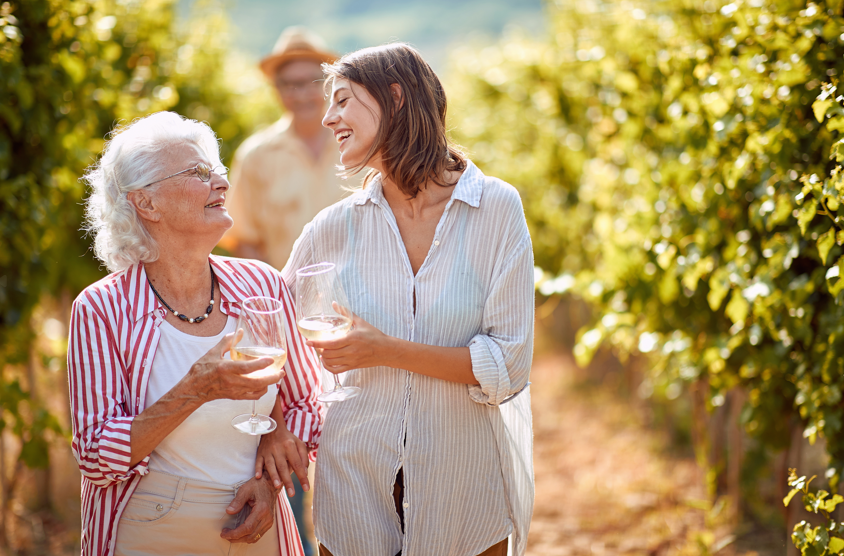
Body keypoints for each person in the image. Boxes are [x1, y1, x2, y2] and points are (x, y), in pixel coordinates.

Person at [280, 44, 535, 556]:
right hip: (354, 484)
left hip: (462, 492)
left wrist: (383, 350)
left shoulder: (495, 209)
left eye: (343, 100)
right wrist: (273, 429)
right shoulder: (333, 227)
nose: (328, 118)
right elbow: (271, 328)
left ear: (394, 98)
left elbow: (508, 365)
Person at [68, 111, 323, 556]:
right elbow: (94, 456)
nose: (221, 184)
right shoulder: (101, 308)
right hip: (153, 526)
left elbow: (307, 400)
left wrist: (268, 482)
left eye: (219, 172)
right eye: (199, 173)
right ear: (146, 203)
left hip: (256, 522)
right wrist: (194, 390)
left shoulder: (263, 284)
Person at [221, 26, 344, 271]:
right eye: (290, 84)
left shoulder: (360, 145)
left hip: (362, 300)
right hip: (289, 299)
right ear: (276, 90)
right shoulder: (255, 156)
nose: (301, 95)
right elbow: (244, 240)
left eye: (312, 82)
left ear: (328, 85)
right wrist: (274, 293)